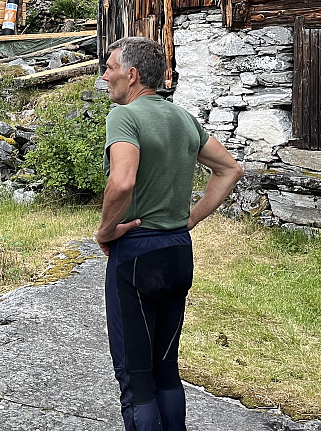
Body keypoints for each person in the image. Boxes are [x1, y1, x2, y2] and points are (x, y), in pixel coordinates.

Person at [96, 37, 244, 431]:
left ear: (132, 75)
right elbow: (229, 169)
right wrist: (191, 218)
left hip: (137, 256)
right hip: (179, 251)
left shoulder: (124, 116)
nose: (104, 76)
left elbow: (123, 181)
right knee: (165, 370)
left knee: (136, 379)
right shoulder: (183, 118)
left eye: (110, 68)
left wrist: (106, 231)